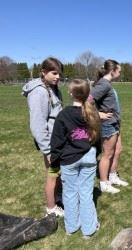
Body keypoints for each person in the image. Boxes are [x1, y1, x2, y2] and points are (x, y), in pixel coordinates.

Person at [50, 79, 100, 238]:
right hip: (88, 157)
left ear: (71, 93)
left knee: (70, 194)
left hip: (70, 159)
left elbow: (57, 140)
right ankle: (87, 230)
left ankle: (74, 228)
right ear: (87, 94)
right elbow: (99, 137)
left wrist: (54, 161)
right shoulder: (93, 112)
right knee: (86, 194)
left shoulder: (64, 114)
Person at [22, 57, 64, 217]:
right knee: (52, 174)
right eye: (54, 73)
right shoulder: (39, 92)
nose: (57, 77)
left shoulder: (54, 88)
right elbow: (37, 124)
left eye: (59, 74)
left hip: (58, 140)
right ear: (43, 72)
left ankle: (58, 198)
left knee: (58, 173)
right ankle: (51, 208)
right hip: (50, 143)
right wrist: (48, 150)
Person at [90, 59, 128, 193]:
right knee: (107, 154)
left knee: (118, 150)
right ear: (113, 71)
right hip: (108, 125)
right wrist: (97, 114)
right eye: (119, 70)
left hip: (115, 123)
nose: (121, 73)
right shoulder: (104, 84)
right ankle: (104, 183)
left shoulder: (107, 84)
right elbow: (88, 100)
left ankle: (112, 176)